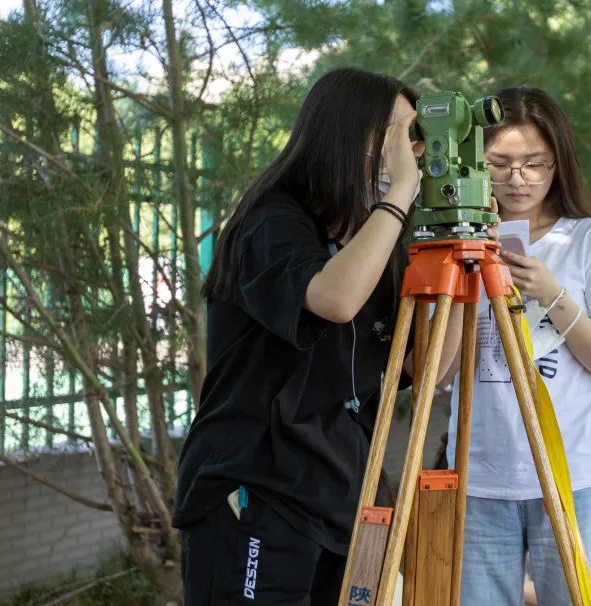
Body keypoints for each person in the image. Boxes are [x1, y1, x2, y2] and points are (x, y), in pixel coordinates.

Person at [173, 67, 462, 605]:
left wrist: (458, 259)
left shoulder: (378, 240)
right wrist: (401, 193)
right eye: (398, 134)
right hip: (259, 490)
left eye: (416, 137)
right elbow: (334, 298)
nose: (412, 150)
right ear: (346, 133)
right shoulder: (270, 220)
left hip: (347, 495)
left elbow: (424, 370)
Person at [446, 86, 591, 605]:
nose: (518, 179)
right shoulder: (459, 244)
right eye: (499, 164)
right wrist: (466, 259)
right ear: (475, 163)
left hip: (571, 475)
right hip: (478, 477)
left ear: (558, 162)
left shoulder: (590, 240)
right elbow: (434, 373)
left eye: (535, 164)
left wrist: (552, 294)